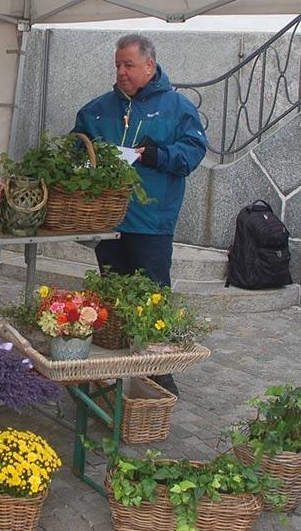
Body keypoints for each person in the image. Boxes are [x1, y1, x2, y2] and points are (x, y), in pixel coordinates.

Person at [73, 34, 207, 396]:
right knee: (110, 298)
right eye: (117, 65)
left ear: (149, 65)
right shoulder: (98, 109)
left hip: (151, 223)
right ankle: (109, 370)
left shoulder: (178, 108)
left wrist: (155, 156)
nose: (121, 72)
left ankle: (157, 374)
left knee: (153, 299)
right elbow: (75, 147)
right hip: (109, 222)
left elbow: (192, 154)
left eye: (128, 65)